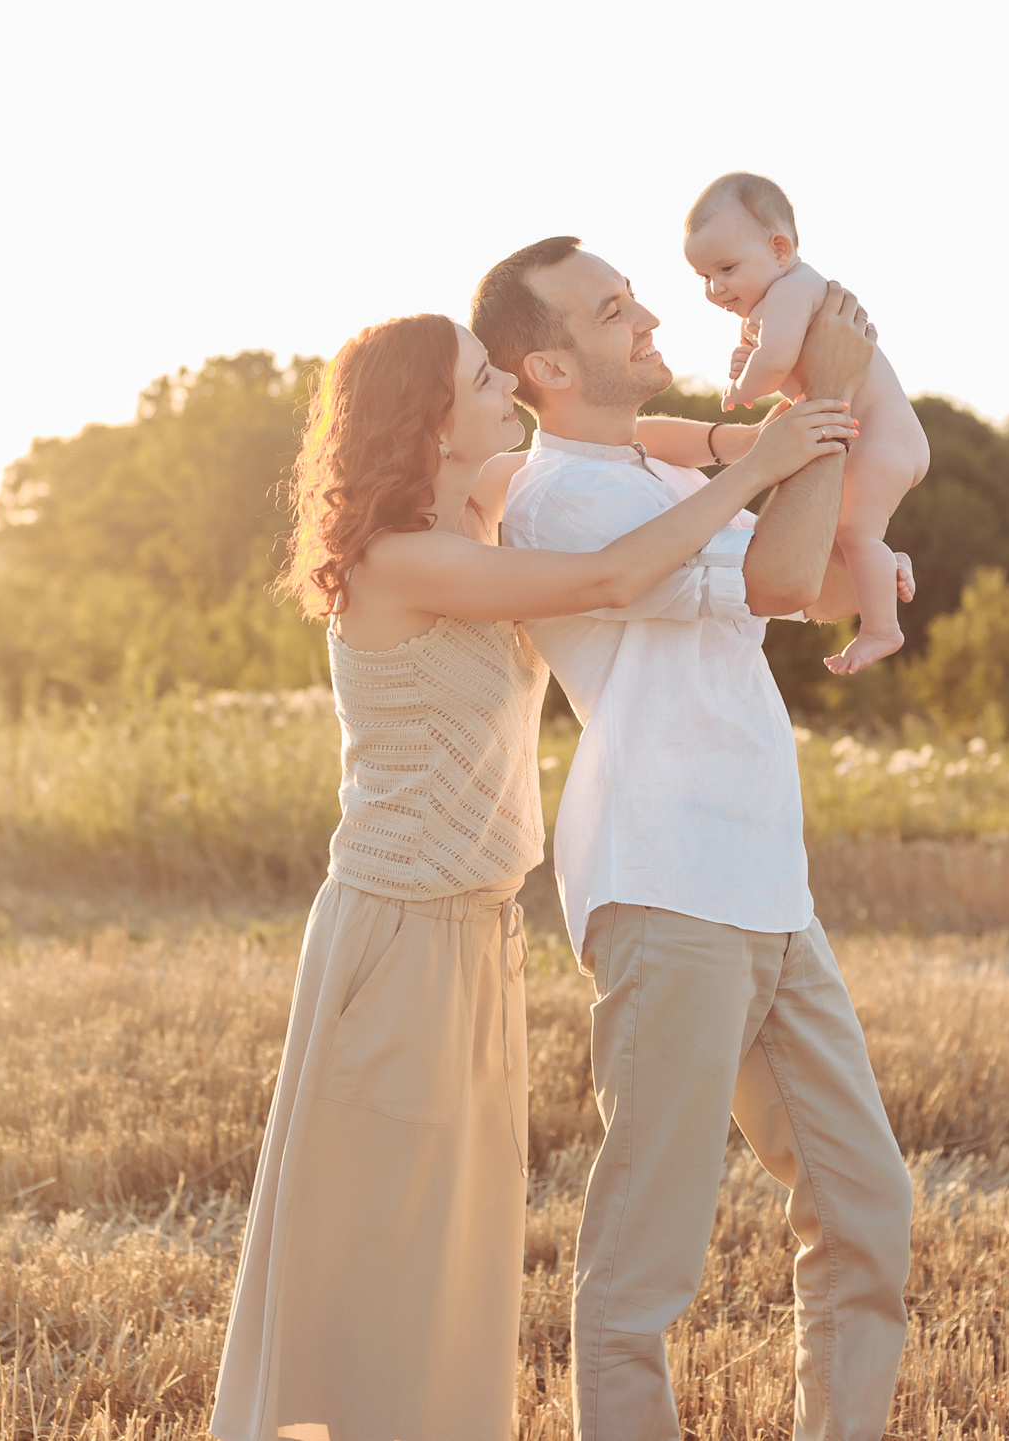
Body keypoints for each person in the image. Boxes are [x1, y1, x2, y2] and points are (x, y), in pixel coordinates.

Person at [211, 311, 854, 1441]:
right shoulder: (400, 559)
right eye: (477, 375)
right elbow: (610, 569)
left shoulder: (491, 489)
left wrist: (713, 441)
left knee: (455, 1239)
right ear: (428, 418)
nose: (502, 380)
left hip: (476, 931)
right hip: (397, 927)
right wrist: (758, 464)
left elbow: (611, 436)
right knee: (378, 1240)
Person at [470, 235, 914, 1441]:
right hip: (663, 880)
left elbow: (812, 582)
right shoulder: (564, 496)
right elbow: (776, 575)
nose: (649, 318)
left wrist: (823, 476)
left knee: (865, 1203)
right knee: (646, 1250)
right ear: (549, 364)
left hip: (768, 882)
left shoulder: (660, 470)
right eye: (615, 311)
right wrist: (810, 411)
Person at [686, 171, 931, 675]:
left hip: (883, 439)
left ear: (779, 248)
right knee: (840, 532)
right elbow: (797, 371)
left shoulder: (790, 290)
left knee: (856, 532)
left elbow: (776, 363)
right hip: (882, 437)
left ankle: (882, 630)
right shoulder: (779, 298)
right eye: (704, 277)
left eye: (727, 268)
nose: (716, 288)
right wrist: (750, 360)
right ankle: (887, 567)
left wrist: (742, 386)